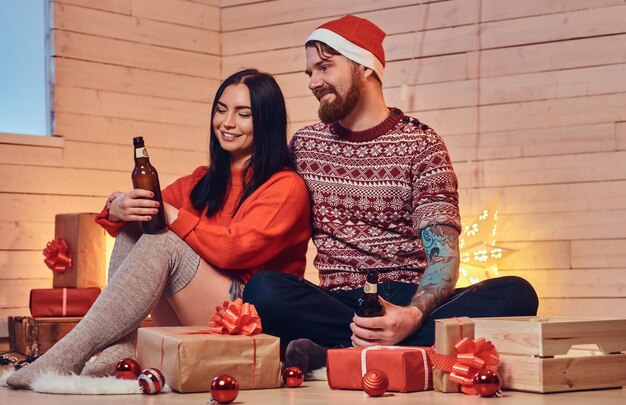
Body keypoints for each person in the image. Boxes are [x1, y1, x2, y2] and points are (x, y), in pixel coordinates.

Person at [243, 15, 538, 374]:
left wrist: (411, 316)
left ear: (364, 66)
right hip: (338, 302)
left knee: (517, 293)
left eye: (324, 67)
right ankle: (402, 352)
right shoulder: (305, 146)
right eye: (309, 73)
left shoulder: (422, 144)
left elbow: (444, 256)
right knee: (263, 290)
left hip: (408, 298)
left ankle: (340, 353)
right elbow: (257, 201)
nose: (313, 82)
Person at [7, 69, 312, 389]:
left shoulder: (285, 187)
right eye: (221, 110)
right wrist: (118, 207)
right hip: (201, 310)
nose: (227, 122)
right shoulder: (202, 180)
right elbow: (144, 214)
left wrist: (169, 213)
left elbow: (232, 250)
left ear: (267, 121)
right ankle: (119, 349)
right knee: (137, 228)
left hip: (249, 318)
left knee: (163, 241)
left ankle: (69, 352)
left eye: (243, 114)